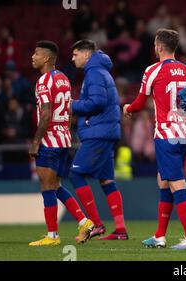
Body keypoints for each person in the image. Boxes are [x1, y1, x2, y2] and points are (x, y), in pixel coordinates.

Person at [123, 29, 186, 249]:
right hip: (184, 135)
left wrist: (128, 108)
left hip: (166, 136)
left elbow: (139, 102)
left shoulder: (152, 70)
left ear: (158, 47)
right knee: (163, 180)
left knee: (177, 184)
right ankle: (159, 236)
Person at [28, 40, 94, 246]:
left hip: (50, 140)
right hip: (64, 138)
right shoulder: (64, 79)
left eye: (36, 54)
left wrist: (35, 142)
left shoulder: (43, 81)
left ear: (46, 58)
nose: (33, 56)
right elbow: (70, 109)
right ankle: (85, 222)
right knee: (55, 185)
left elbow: (46, 114)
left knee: (47, 187)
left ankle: (52, 236)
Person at [70, 39, 128, 240]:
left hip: (99, 132)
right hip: (107, 130)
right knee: (106, 180)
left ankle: (96, 224)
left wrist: (72, 105)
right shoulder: (100, 70)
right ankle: (120, 230)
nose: (72, 58)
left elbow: (97, 102)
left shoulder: (93, 72)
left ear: (86, 54)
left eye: (76, 54)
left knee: (75, 175)